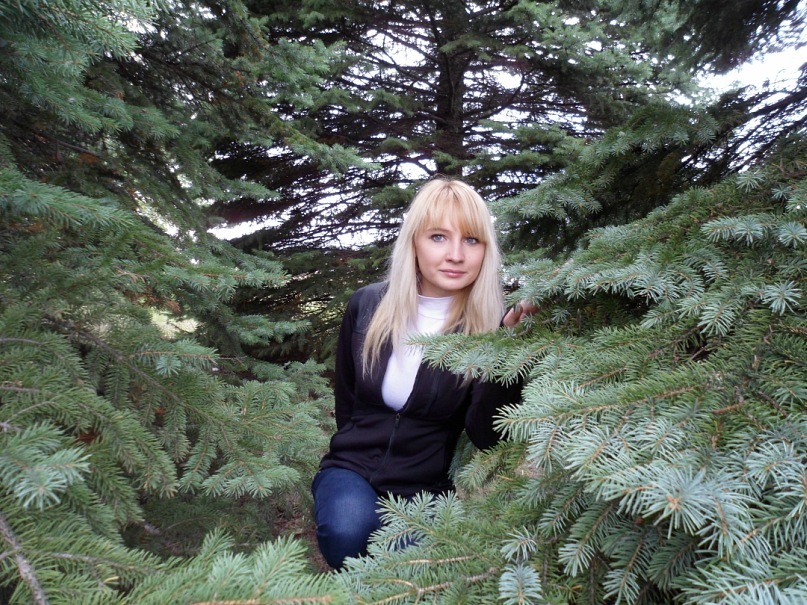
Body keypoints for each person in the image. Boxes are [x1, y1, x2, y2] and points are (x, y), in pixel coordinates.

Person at [311, 177, 533, 569]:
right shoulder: (368, 304)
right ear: (414, 241)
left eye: (471, 240)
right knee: (348, 530)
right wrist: (350, 455)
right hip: (351, 469)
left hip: (426, 488)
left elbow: (487, 434)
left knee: (415, 568)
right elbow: (346, 399)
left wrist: (508, 350)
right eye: (438, 237)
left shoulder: (493, 324)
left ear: (486, 250)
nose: (455, 255)